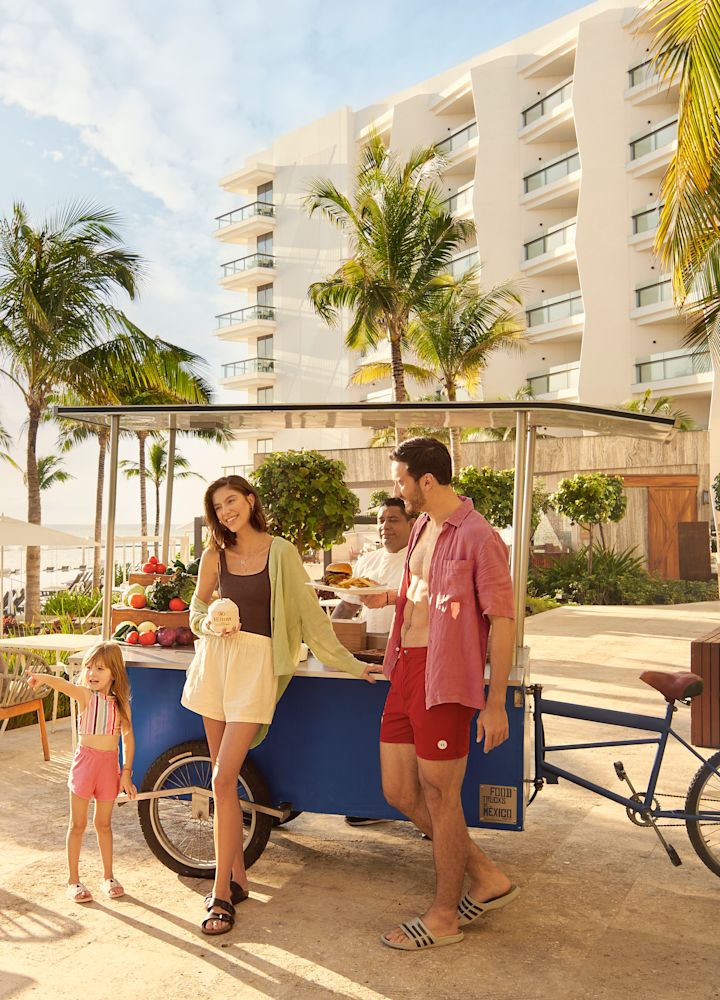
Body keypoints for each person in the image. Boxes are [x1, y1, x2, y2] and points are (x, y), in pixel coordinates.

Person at [182, 474, 377, 936]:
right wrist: (210, 626)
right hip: (215, 665)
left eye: (232, 501)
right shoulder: (215, 555)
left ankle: (221, 894)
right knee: (222, 780)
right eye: (218, 507)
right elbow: (194, 611)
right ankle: (239, 880)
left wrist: (349, 664)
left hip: (254, 669)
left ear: (250, 500)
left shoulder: (282, 552)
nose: (226, 512)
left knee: (222, 777)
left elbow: (310, 615)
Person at [361, 436, 519, 952]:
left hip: (447, 676)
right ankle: (486, 876)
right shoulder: (423, 527)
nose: (396, 489)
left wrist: (494, 702)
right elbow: (419, 592)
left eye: (401, 479)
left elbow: (501, 620)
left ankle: (445, 915)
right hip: (404, 668)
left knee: (440, 795)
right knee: (399, 791)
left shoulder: (480, 536)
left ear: (426, 481)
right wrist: (379, 595)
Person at [27, 641, 136, 904]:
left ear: (115, 673)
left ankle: (108, 877)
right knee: (78, 825)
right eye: (89, 667)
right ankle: (73, 880)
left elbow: (128, 737)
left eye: (100, 668)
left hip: (109, 766)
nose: (92, 673)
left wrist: (126, 772)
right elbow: (64, 685)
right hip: (85, 764)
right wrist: (42, 677)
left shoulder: (121, 705)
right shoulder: (86, 697)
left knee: (104, 825)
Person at [332, 496, 413, 826]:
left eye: (393, 519)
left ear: (410, 523)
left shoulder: (418, 560)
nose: (385, 526)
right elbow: (349, 607)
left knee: (407, 742)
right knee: (367, 734)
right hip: (368, 656)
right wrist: (327, 635)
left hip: (408, 658)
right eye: (381, 520)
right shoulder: (368, 561)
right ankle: (368, 803)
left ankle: (419, 814)